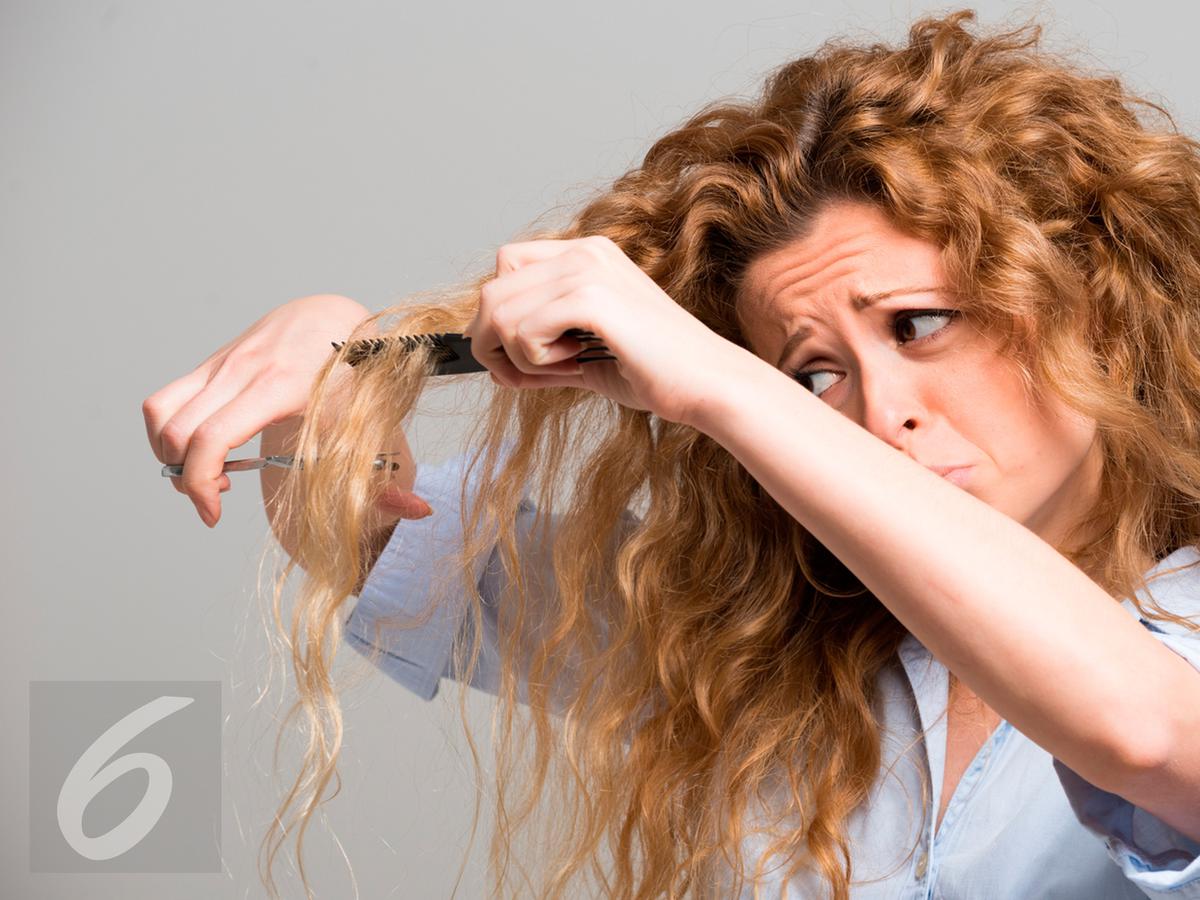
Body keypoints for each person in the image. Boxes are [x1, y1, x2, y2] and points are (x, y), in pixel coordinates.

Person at [143, 9, 1200, 899]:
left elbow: (1149, 736)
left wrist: (715, 381)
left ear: (1097, 310)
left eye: (920, 325)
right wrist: (337, 356)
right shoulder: (747, 650)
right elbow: (363, 536)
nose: (881, 414)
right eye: (812, 374)